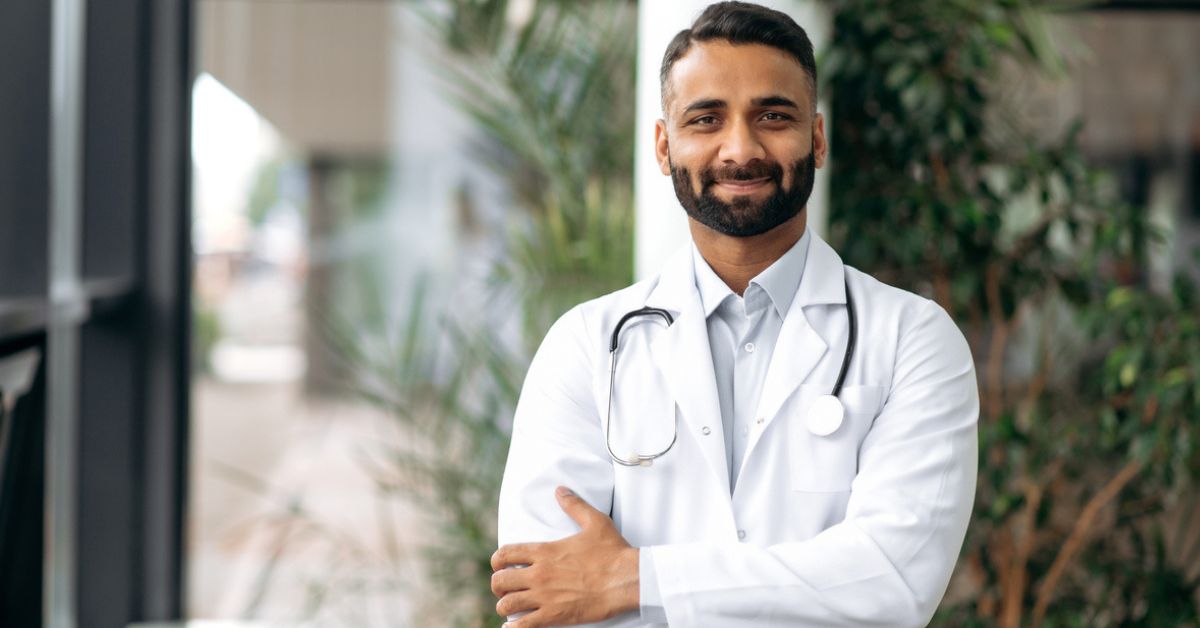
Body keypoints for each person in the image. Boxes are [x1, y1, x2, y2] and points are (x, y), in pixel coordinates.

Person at [490, 2, 979, 626]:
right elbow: (546, 596)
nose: (741, 148)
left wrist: (635, 578)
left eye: (773, 116)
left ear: (817, 139)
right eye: (706, 119)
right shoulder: (586, 346)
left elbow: (891, 581)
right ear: (664, 146)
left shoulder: (914, 340)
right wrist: (813, 585)